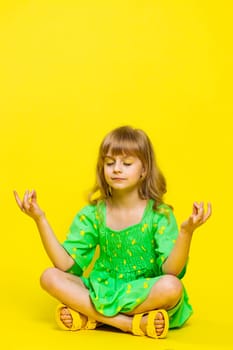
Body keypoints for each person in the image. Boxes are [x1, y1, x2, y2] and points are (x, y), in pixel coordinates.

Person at [14, 125, 211, 339]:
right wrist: (39, 219)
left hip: (143, 293)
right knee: (49, 277)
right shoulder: (92, 214)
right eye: (110, 163)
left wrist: (186, 232)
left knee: (172, 287)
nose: (117, 169)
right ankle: (128, 324)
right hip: (103, 289)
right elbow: (66, 266)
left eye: (126, 163)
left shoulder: (159, 214)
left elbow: (171, 271)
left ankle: (92, 317)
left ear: (144, 170)